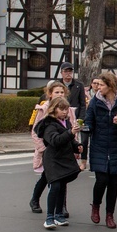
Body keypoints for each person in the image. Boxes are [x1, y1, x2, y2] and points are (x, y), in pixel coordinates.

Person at [85, 72, 117, 229]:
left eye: (102, 85)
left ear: (111, 86)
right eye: (98, 84)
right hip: (99, 145)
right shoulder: (95, 102)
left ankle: (110, 215)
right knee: (101, 180)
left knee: (113, 182)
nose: (99, 87)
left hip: (116, 145)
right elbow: (89, 123)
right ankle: (96, 206)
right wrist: (84, 128)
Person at [34, 96, 83, 229]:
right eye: (61, 109)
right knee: (55, 186)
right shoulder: (49, 124)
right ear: (53, 109)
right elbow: (55, 140)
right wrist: (71, 133)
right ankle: (49, 217)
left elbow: (68, 139)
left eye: (66, 109)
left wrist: (76, 146)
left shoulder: (65, 122)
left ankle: (59, 215)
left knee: (62, 186)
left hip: (64, 158)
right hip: (53, 159)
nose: (64, 112)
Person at [30, 81, 76, 215]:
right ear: (50, 94)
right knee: (47, 177)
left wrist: (75, 146)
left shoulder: (68, 110)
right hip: (49, 150)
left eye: (62, 92)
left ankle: (62, 205)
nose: (60, 94)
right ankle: (35, 199)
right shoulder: (44, 109)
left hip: (63, 150)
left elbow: (72, 129)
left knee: (62, 176)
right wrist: (43, 149)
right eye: (57, 92)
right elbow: (35, 131)